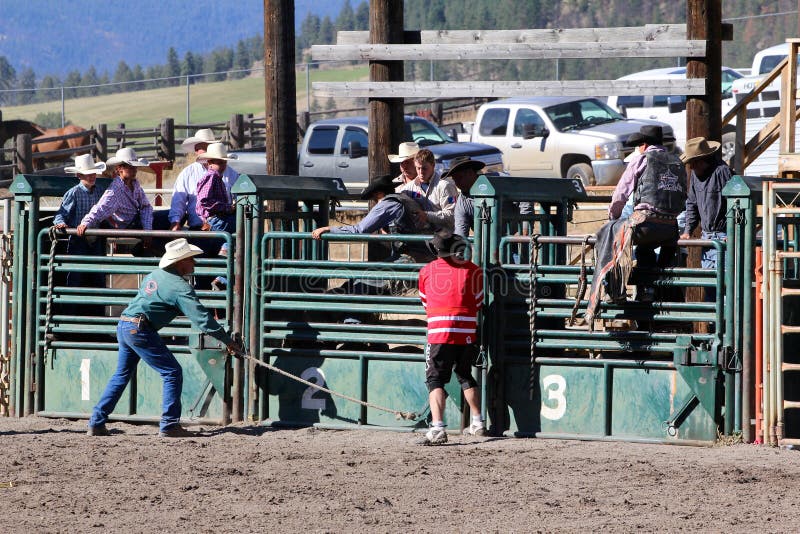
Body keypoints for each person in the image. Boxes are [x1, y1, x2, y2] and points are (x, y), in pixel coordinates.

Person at [87, 238, 239, 438]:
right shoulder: (180, 287)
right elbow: (202, 319)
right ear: (179, 262)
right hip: (140, 329)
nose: (194, 263)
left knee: (121, 375)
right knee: (172, 372)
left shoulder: (157, 275)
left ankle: (97, 421)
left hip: (126, 324)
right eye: (190, 259)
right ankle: (169, 424)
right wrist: (227, 341)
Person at [586, 125, 686, 322]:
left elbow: (621, 192)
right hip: (670, 228)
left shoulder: (642, 158)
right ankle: (648, 289)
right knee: (644, 250)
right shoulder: (677, 162)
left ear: (644, 144)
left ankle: (613, 288)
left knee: (608, 232)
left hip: (646, 223)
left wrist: (613, 216)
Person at [418, 232, 485, 445]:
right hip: (466, 330)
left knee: (435, 379)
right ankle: (477, 421)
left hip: (439, 331)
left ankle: (437, 427)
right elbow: (479, 301)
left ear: (436, 250)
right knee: (465, 374)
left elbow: (426, 303)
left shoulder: (426, 271)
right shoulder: (474, 271)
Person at [311, 174, 436, 261]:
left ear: (378, 193)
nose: (375, 202)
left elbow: (359, 230)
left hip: (411, 256)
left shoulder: (386, 205)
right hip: (425, 252)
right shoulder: (403, 198)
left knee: (365, 281)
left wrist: (329, 229)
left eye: (374, 197)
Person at [680, 137, 733, 301]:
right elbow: (692, 203)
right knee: (711, 284)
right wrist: (688, 230)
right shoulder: (696, 175)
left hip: (723, 235)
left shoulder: (722, 172)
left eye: (694, 163)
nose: (692, 167)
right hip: (708, 237)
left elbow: (733, 202)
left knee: (723, 284)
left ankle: (724, 323)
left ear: (703, 160)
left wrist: (731, 232)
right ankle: (715, 324)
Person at [79, 147, 154, 253]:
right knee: (166, 222)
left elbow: (145, 206)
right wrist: (86, 222)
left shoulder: (135, 184)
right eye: (130, 167)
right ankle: (141, 251)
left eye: (135, 167)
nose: (135, 170)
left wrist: (147, 228)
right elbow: (101, 208)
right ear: (120, 169)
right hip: (129, 225)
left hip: (136, 222)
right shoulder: (115, 190)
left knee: (169, 219)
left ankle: (142, 250)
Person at [167, 128, 239, 239]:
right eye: (204, 147)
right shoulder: (188, 173)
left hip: (223, 225)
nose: (207, 150)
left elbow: (239, 197)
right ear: (196, 150)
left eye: (210, 147)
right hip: (200, 228)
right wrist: (175, 222)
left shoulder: (231, 173)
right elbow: (179, 201)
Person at [53, 154, 108, 289]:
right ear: (79, 175)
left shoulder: (100, 191)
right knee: (75, 275)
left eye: (93, 173)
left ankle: (96, 309)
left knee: (98, 276)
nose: (92, 176)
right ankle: (71, 308)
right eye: (87, 174)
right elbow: (61, 214)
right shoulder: (74, 193)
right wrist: (60, 223)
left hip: (95, 238)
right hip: (79, 238)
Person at [195, 142, 237, 290]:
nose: (223, 165)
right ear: (210, 163)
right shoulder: (212, 177)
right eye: (219, 162)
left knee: (235, 237)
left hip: (216, 219)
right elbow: (204, 201)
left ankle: (221, 275)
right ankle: (221, 277)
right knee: (242, 228)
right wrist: (228, 207)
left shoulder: (215, 177)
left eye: (224, 162)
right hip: (218, 219)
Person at [398, 148, 459, 232]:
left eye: (424, 168)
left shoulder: (445, 186)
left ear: (433, 165)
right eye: (418, 168)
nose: (421, 172)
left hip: (445, 238)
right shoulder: (408, 189)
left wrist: (426, 216)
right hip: (420, 238)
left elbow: (452, 216)